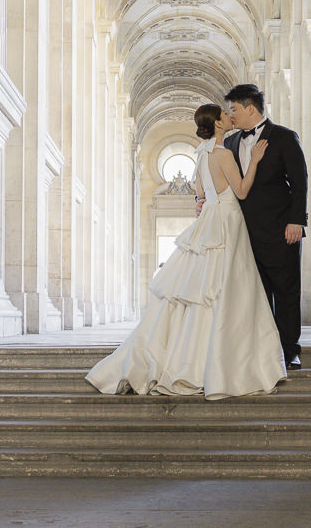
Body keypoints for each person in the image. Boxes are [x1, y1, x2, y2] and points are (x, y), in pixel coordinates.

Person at [85, 103, 286, 398]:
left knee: (201, 293)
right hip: (227, 223)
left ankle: (190, 358)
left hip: (208, 223)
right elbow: (241, 191)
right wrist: (255, 159)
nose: (230, 117)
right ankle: (221, 364)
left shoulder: (200, 156)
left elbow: (201, 195)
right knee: (227, 291)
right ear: (218, 124)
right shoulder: (223, 154)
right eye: (225, 115)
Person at [223, 83, 308, 370]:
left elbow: (300, 181)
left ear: (250, 108)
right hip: (244, 233)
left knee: (286, 291)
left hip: (282, 229)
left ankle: (289, 350)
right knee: (254, 294)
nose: (230, 115)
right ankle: (260, 349)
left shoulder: (284, 137)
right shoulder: (230, 143)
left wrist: (297, 220)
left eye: (233, 109)